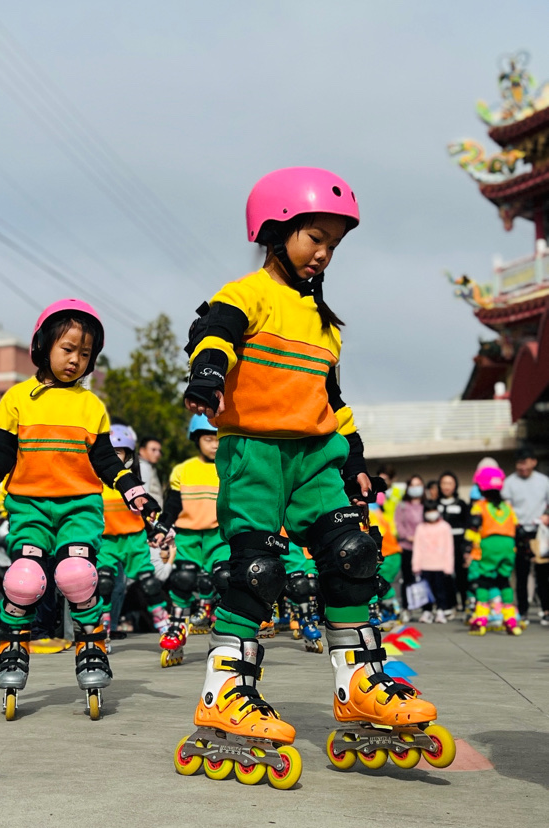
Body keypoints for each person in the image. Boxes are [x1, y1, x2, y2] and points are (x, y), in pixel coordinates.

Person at [164, 166, 453, 787]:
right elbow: (214, 335)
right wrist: (208, 376)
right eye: (314, 238)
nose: (324, 253)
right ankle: (224, 690)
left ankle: (360, 684)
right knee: (257, 571)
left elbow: (331, 396)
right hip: (256, 452)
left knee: (353, 554)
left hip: (317, 453)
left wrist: (355, 456)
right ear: (275, 232)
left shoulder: (325, 323)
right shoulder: (247, 294)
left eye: (334, 245)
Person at [0, 299, 159, 720]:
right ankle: (13, 645)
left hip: (79, 507)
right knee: (24, 580)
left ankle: (92, 643)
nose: (75, 360)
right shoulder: (18, 399)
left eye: (85, 353)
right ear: (42, 345)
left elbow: (106, 460)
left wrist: (135, 492)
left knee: (75, 574)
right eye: (68, 349)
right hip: (29, 507)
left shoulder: (90, 405)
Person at [153, 413, 230, 665]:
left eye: (218, 438)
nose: (214, 444)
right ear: (197, 440)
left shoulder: (230, 467)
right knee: (183, 578)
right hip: (188, 535)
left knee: (225, 578)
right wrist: (162, 527)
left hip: (219, 536)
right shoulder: (183, 470)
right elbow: (173, 505)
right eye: (208, 439)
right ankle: (177, 626)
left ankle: (227, 628)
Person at [97, 423, 171, 644]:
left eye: (117, 452)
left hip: (134, 541)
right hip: (106, 542)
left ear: (128, 456)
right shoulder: (94, 484)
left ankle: (166, 629)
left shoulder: (131, 483)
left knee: (149, 584)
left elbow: (149, 509)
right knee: (104, 584)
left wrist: (160, 529)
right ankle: (104, 631)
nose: (112, 457)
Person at [466, 466, 523, 636]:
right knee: (504, 581)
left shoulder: (480, 506)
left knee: (484, 581)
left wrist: (467, 546)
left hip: (489, 545)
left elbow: (474, 526)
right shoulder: (507, 507)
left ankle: (481, 621)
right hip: (508, 546)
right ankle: (511, 621)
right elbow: (518, 528)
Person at [502, 446, 549, 623]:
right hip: (519, 531)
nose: (522, 467)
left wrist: (547, 516)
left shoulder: (544, 481)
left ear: (533, 462)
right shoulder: (509, 483)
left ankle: (546, 610)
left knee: (543, 574)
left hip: (540, 532)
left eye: (525, 462)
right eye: (519, 463)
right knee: (521, 574)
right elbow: (506, 507)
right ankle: (522, 611)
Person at [411, 500, 455, 624]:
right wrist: (416, 565)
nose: (431, 513)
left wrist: (448, 566)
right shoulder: (421, 527)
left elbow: (449, 548)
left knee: (441, 590)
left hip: (440, 565)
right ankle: (427, 611)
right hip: (425, 565)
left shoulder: (445, 527)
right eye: (429, 511)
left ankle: (441, 610)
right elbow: (417, 548)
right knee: (425, 591)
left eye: (433, 510)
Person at [437, 471, 469, 613]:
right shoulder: (435, 504)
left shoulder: (461, 504)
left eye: (450, 483)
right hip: (440, 547)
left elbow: (467, 525)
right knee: (445, 577)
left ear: (455, 485)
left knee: (461, 576)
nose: (446, 486)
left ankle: (465, 603)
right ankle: (450, 604)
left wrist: (466, 547)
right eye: (444, 483)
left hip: (458, 545)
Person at [394, 474, 424, 607]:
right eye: (412, 485)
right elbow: (398, 524)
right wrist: (408, 536)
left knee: (424, 578)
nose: (415, 488)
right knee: (407, 578)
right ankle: (407, 607)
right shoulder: (402, 506)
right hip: (407, 546)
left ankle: (426, 608)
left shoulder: (427, 505)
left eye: (418, 485)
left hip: (424, 547)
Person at [138, 436, 164, 507]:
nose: (158, 454)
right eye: (153, 450)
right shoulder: (142, 467)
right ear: (142, 450)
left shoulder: (148, 466)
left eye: (159, 451)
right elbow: (143, 494)